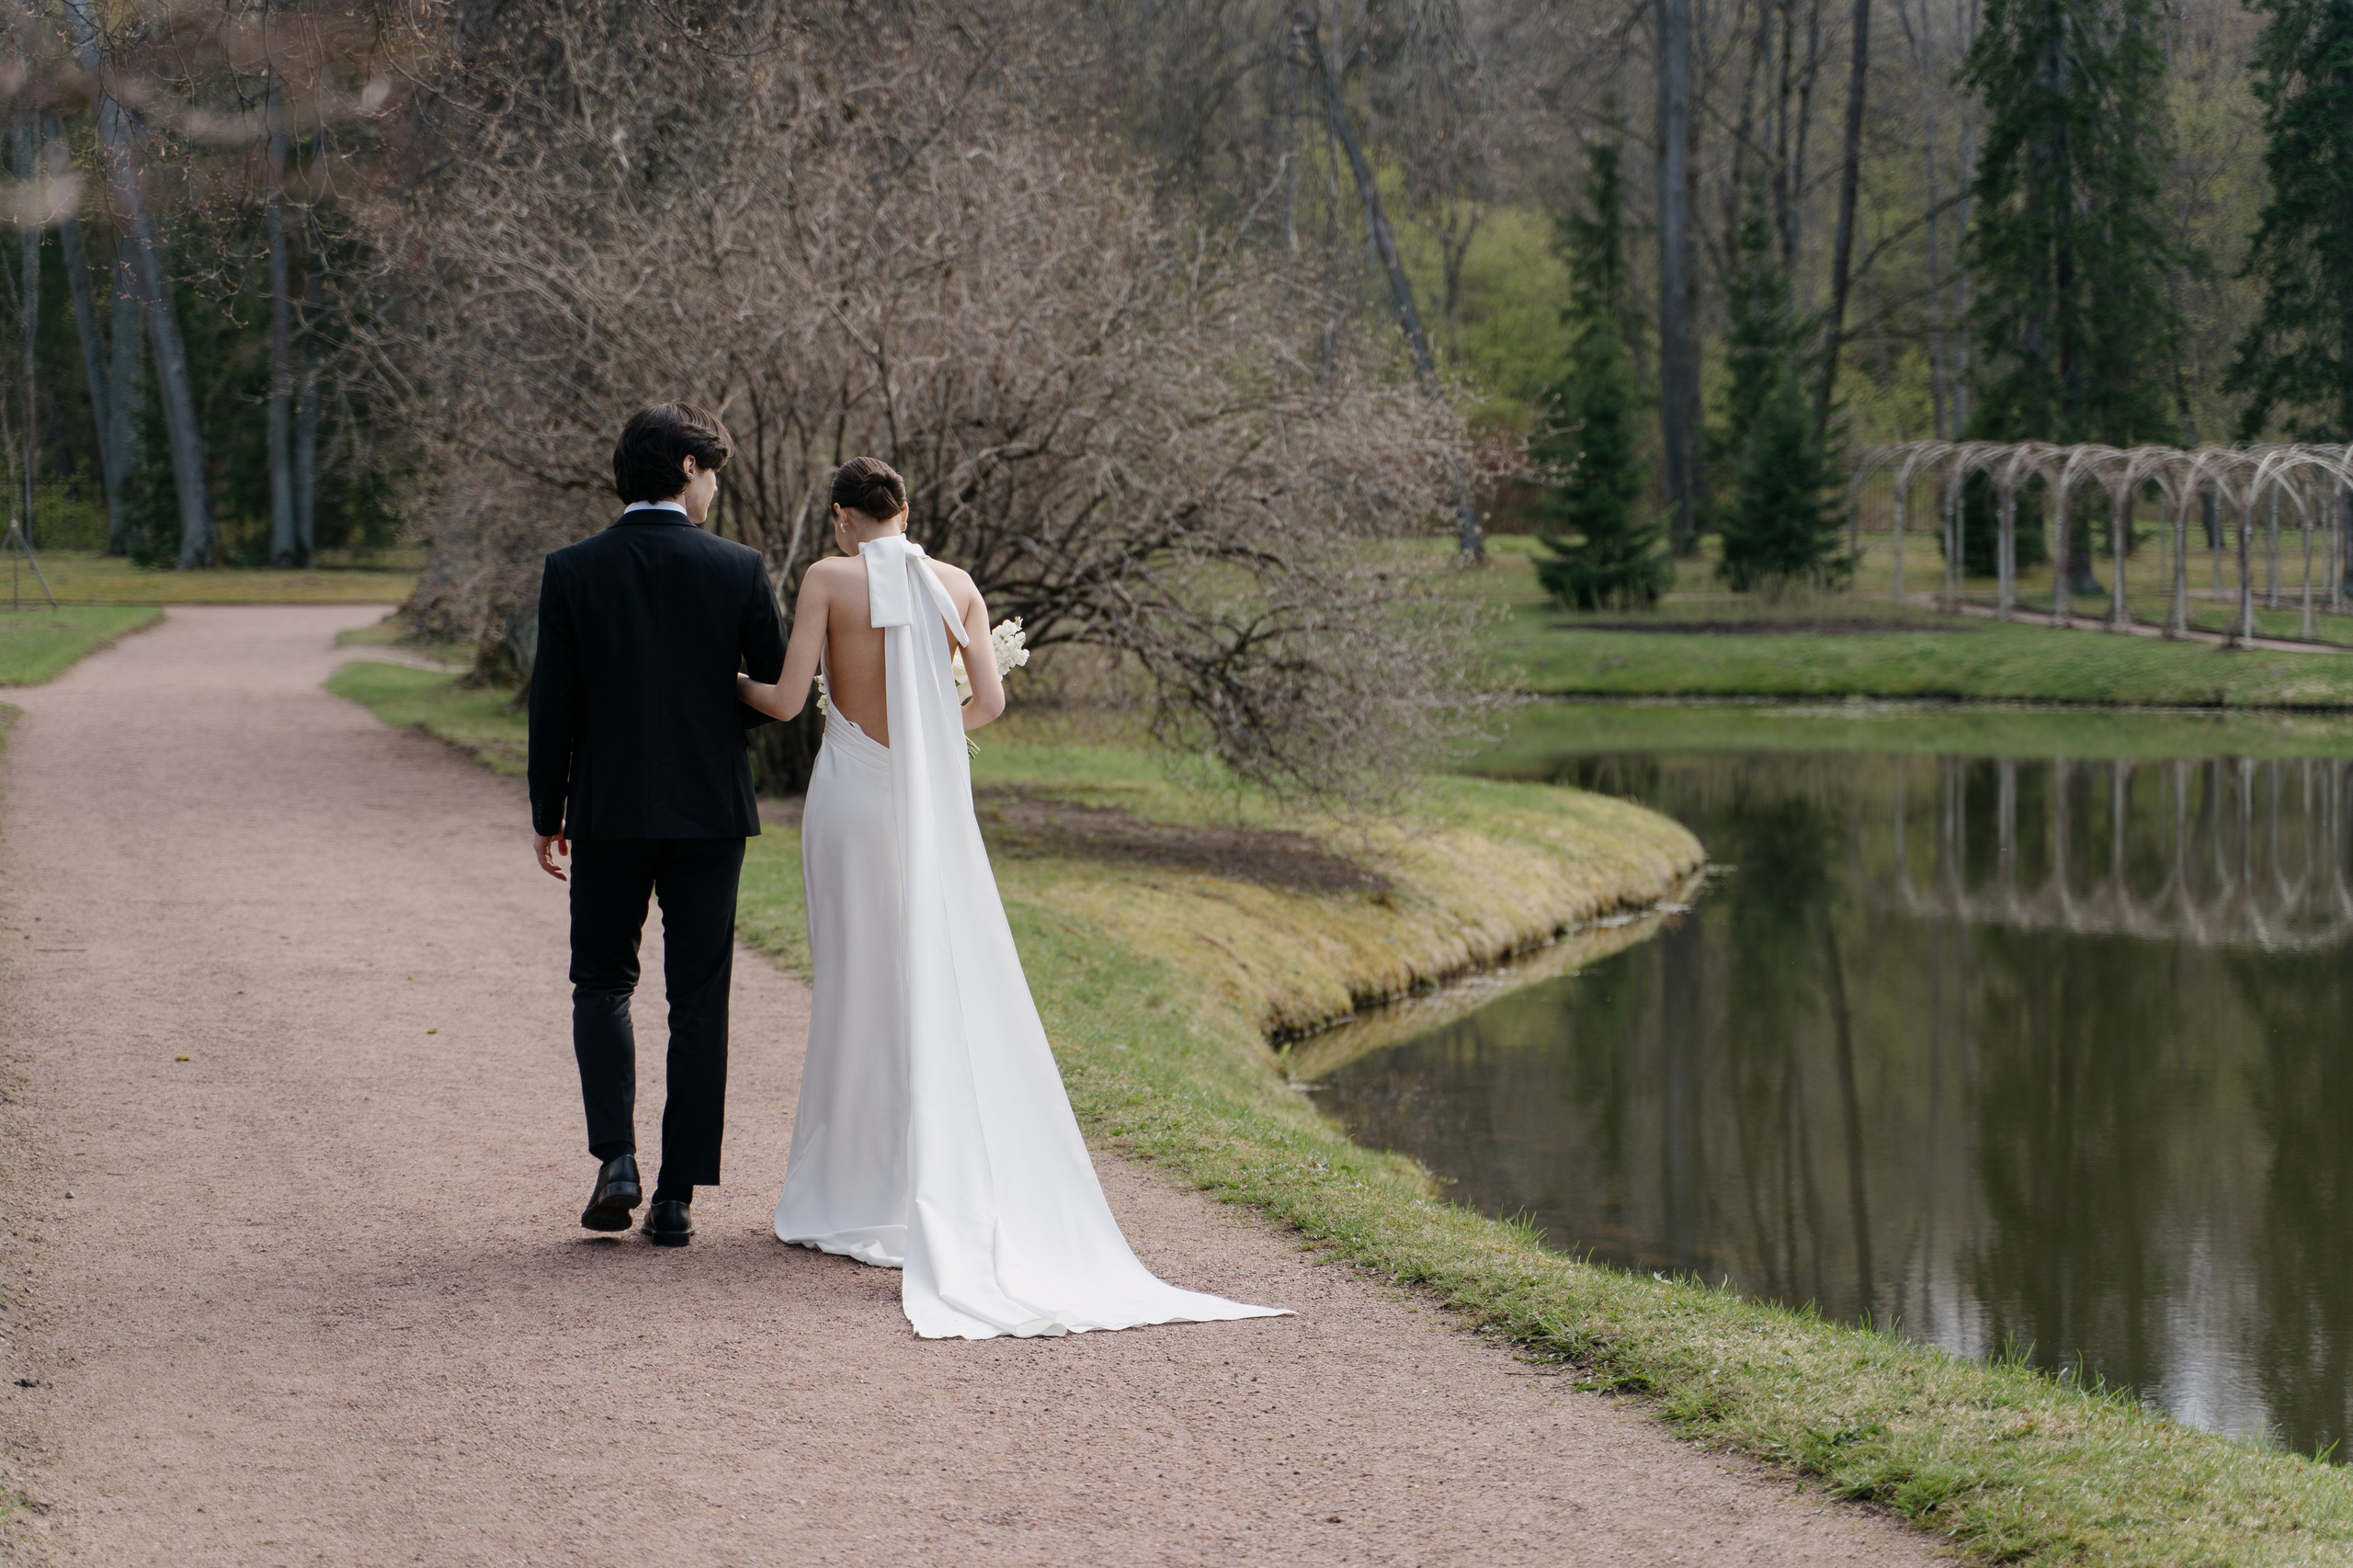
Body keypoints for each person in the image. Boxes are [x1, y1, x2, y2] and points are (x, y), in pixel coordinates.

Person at [736, 457, 1287, 1338]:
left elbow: (785, 699)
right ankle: (929, 1180)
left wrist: (722, 682)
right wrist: (923, 733)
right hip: (925, 800)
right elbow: (987, 702)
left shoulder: (827, 579)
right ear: (907, 511)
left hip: (848, 797)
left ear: (842, 516)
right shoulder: (956, 584)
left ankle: (843, 1188)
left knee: (852, 982)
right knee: (931, 972)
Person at [527, 402, 786, 1247]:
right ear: (685, 467)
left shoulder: (573, 570)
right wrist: (704, 717)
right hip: (710, 811)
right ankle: (676, 1196)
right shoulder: (739, 568)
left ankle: (617, 1163)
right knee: (697, 1001)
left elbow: (553, 706)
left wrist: (547, 811)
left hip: (607, 809)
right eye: (711, 472)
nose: (714, 488)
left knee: (602, 983)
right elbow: (774, 688)